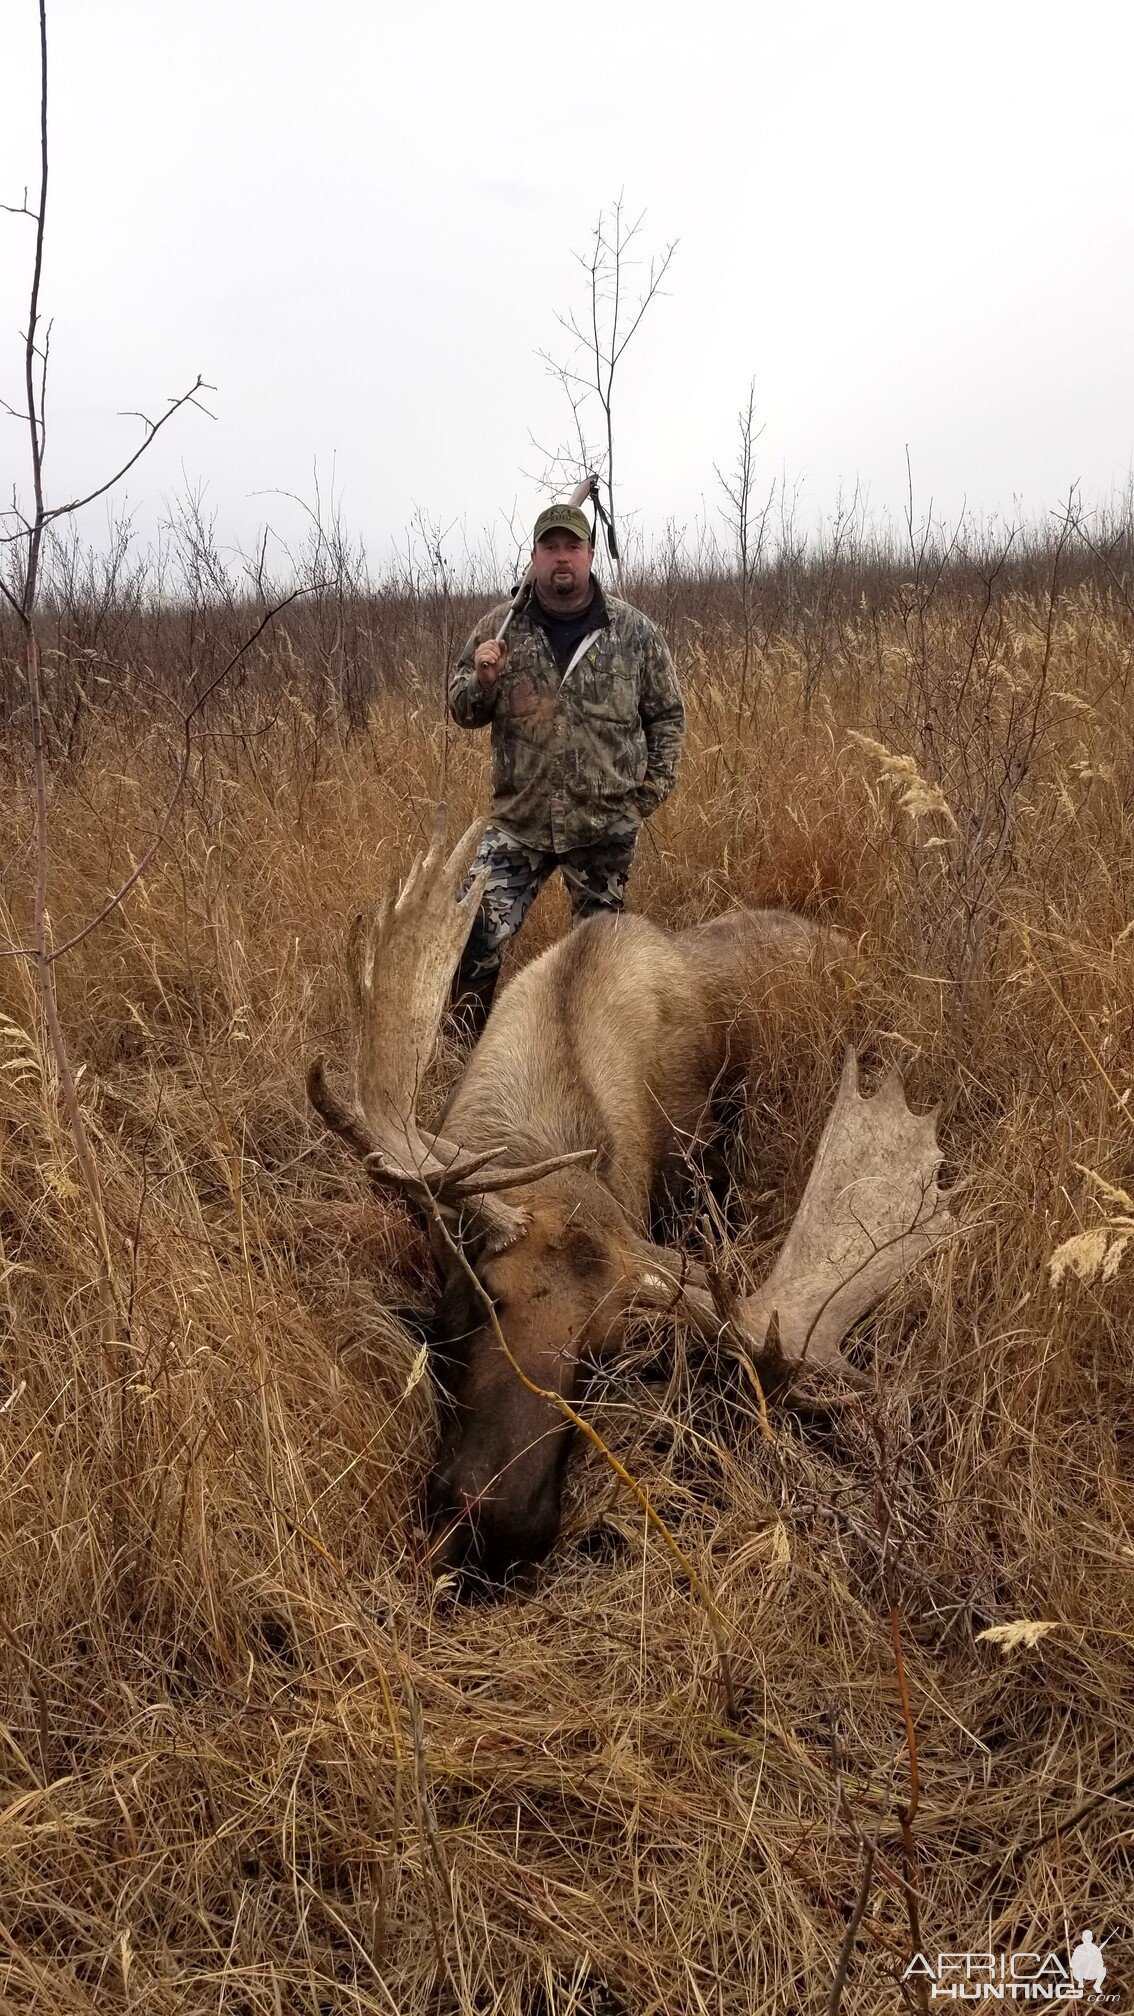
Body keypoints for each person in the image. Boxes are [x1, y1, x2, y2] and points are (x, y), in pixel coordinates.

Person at [447, 501, 686, 1032]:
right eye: (550, 547)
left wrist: (643, 799)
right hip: (519, 824)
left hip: (602, 827)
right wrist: (482, 682)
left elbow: (668, 716)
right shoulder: (499, 628)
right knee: (470, 941)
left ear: (590, 555)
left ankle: (590, 1060)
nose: (562, 558)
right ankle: (463, 1057)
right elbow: (461, 709)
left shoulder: (633, 632)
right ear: (533, 557)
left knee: (598, 967)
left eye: (572, 547)